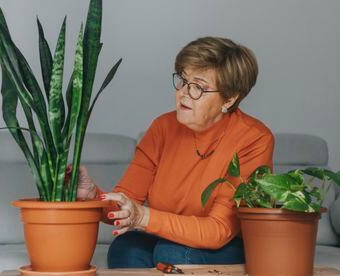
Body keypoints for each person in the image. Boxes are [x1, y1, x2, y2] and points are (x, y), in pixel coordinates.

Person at [73, 36, 274, 268]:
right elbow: (126, 202)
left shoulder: (254, 138)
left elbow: (219, 230)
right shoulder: (162, 127)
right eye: (183, 80)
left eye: (198, 87)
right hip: (165, 236)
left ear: (229, 98)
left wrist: (144, 217)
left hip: (225, 244)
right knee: (125, 248)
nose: (183, 93)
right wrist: (92, 196)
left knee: (173, 253)